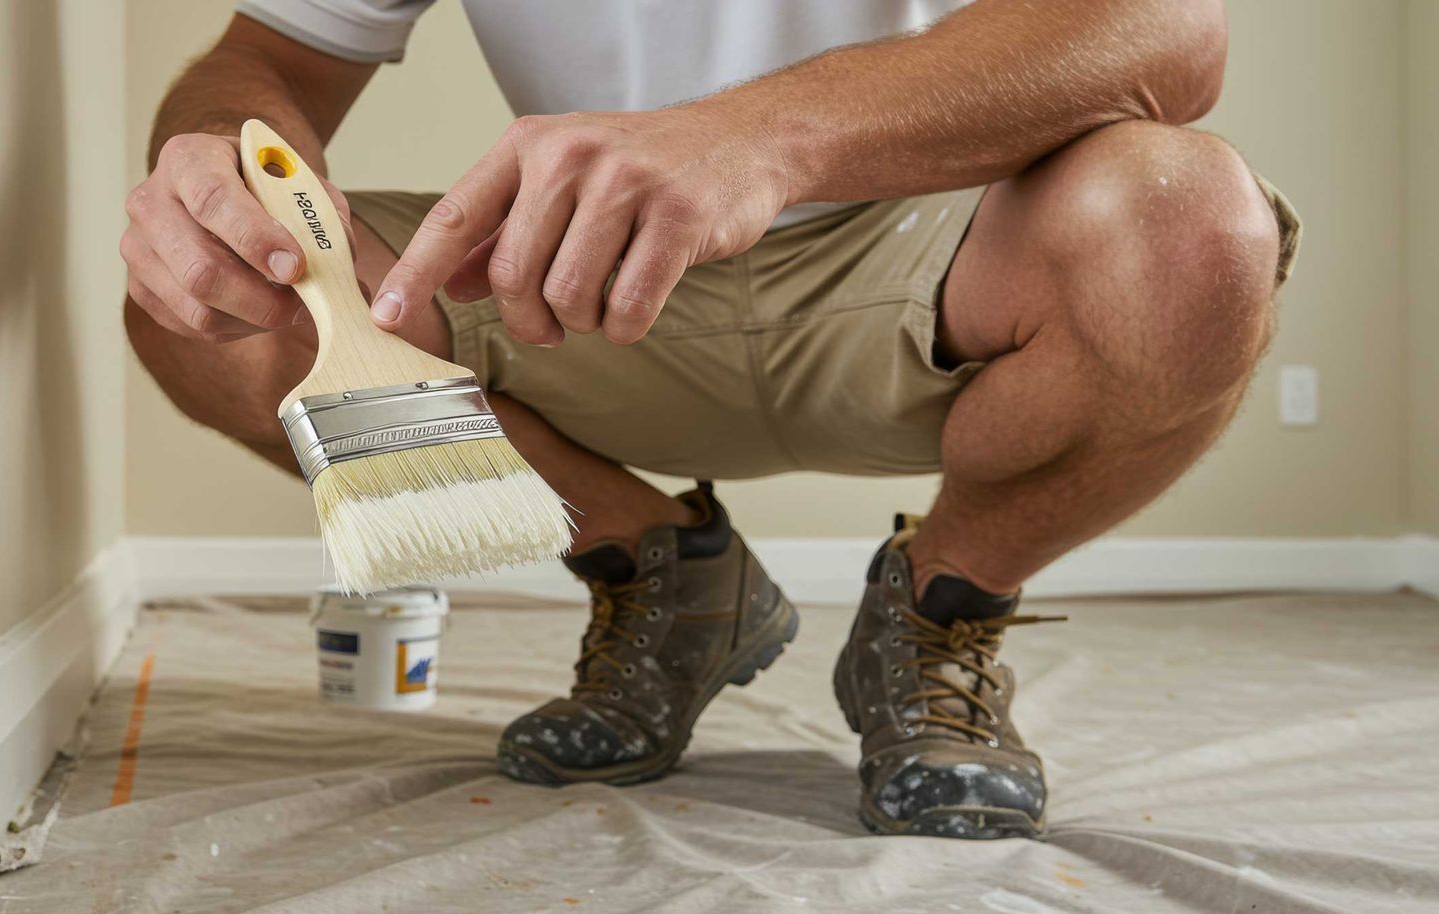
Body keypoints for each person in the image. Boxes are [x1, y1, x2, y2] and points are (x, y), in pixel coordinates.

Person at [120, 0, 1300, 839]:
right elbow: (267, 54)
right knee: (214, 314)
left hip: (943, 256)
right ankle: (666, 576)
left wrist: (762, 137)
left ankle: (943, 610)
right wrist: (217, 155)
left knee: (1189, 218)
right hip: (586, 274)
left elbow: (1168, 30)